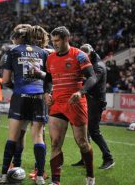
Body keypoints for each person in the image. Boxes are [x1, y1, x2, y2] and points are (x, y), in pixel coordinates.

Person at [0, 24, 48, 185]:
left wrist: (16, 88)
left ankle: (3, 175)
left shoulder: (13, 51)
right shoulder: (43, 52)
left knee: (13, 137)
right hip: (38, 96)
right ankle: (39, 177)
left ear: (19, 37)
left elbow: (6, 80)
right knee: (38, 137)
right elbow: (48, 77)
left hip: (20, 97)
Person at [44, 26, 97, 185]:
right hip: (57, 103)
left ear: (67, 39)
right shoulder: (50, 58)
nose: (54, 44)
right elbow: (47, 79)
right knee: (55, 143)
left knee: (81, 142)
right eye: (53, 41)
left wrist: (81, 92)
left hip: (76, 102)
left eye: (57, 40)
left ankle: (90, 176)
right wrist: (47, 93)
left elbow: (92, 78)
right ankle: (55, 181)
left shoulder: (79, 55)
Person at [8, 25, 50, 181]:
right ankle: (23, 166)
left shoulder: (44, 52)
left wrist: (47, 92)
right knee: (27, 132)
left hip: (40, 95)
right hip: (38, 96)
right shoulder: (42, 51)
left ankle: (40, 169)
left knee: (38, 133)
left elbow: (50, 77)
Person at [71, 44, 115, 169]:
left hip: (96, 101)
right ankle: (85, 158)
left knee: (93, 130)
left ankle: (109, 158)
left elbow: (93, 80)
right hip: (90, 100)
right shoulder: (93, 64)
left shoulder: (98, 67)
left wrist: (80, 87)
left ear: (91, 53)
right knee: (86, 131)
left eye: (86, 56)